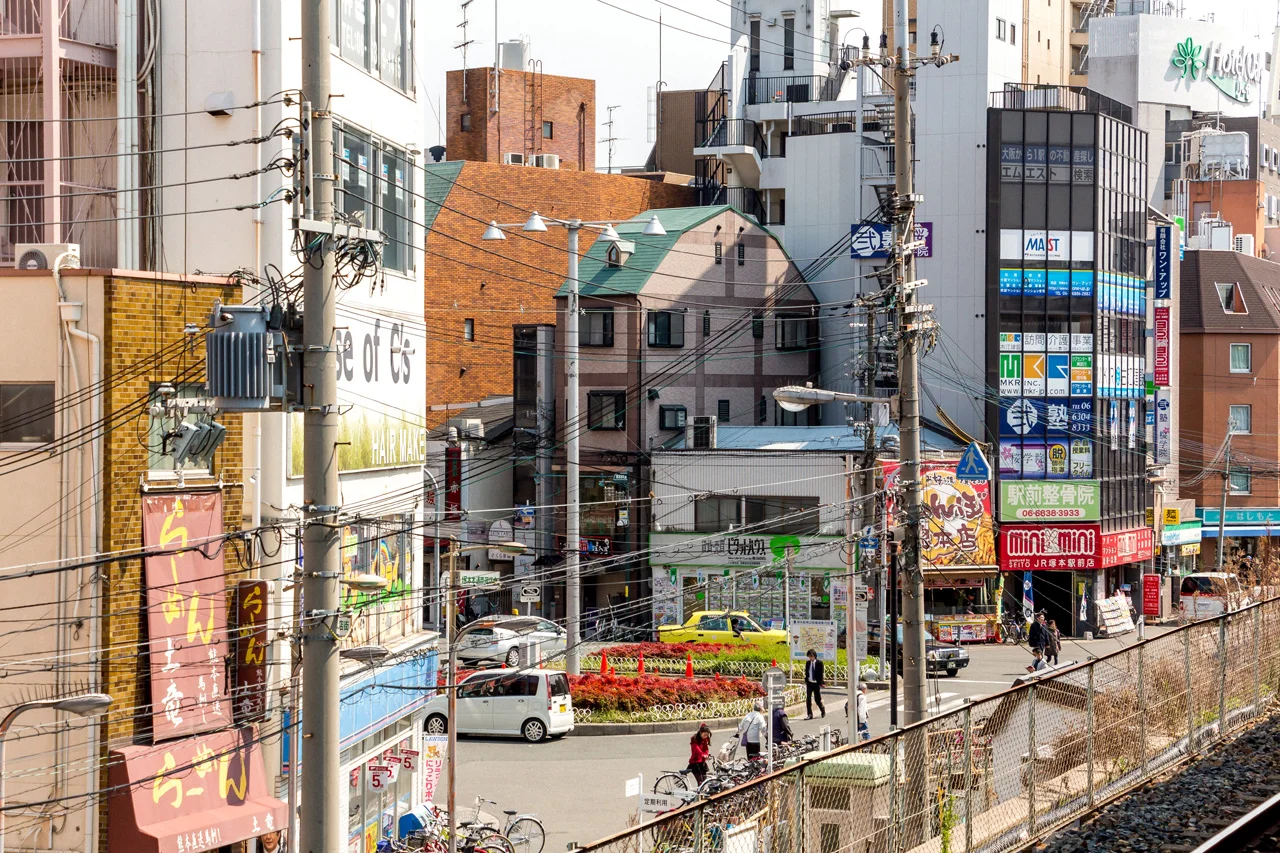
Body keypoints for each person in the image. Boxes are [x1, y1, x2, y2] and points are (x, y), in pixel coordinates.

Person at [804, 649, 826, 720]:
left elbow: (821, 674)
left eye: (812, 656)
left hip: (816, 683)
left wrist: (821, 683)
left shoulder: (819, 663)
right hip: (809, 683)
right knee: (808, 699)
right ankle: (810, 714)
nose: (810, 658)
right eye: (809, 657)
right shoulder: (808, 663)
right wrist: (806, 680)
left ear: (814, 656)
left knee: (817, 699)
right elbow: (806, 673)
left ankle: (822, 709)